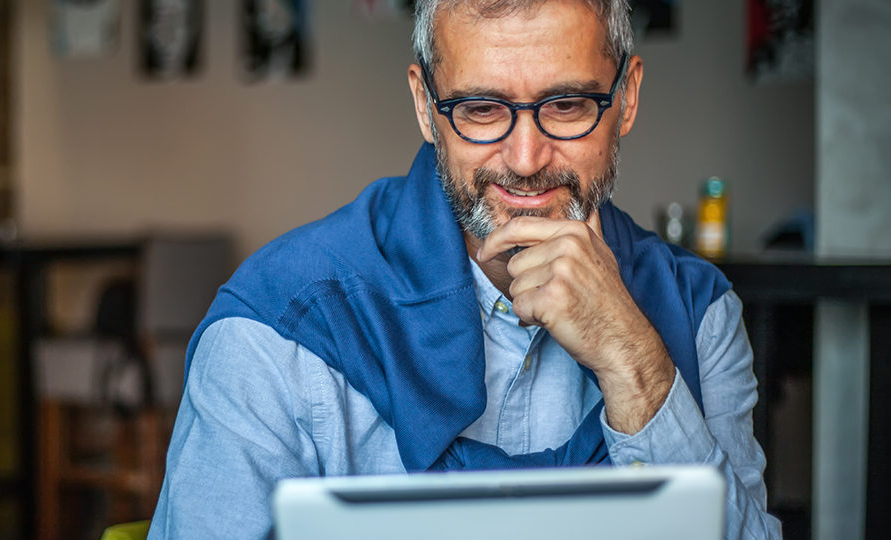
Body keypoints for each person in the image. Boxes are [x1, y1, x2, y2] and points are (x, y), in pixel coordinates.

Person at [148, 1, 782, 538]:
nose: (527, 159)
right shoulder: (278, 327)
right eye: (481, 108)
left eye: (565, 104)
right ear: (426, 107)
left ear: (627, 97)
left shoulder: (698, 313)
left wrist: (635, 363)